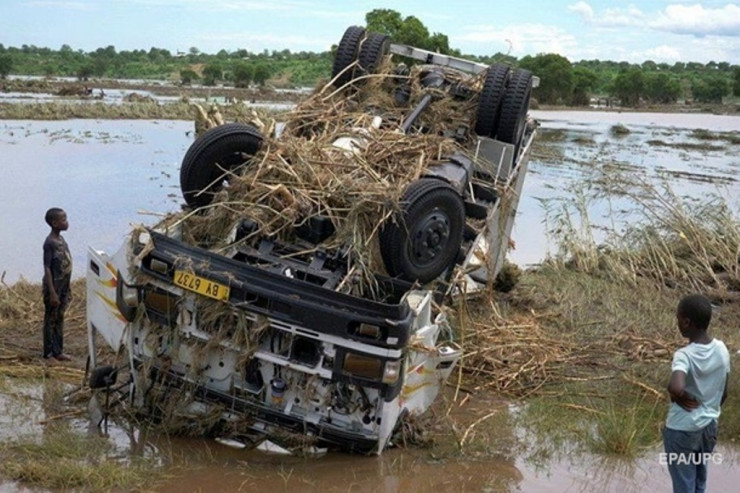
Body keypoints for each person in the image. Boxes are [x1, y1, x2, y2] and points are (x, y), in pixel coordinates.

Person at [663, 294, 730, 493]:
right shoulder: (722, 349)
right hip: (709, 427)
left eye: (678, 319)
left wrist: (675, 393)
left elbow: (676, 386)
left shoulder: (684, 355)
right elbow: (723, 393)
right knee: (699, 483)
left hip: (682, 429)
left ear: (686, 322)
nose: (677, 323)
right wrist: (709, 407)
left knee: (684, 485)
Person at [42, 207, 73, 361]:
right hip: (53, 287)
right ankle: (48, 354)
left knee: (60, 317)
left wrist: (67, 288)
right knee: (50, 319)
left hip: (63, 287)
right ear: (54, 223)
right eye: (63, 220)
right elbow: (47, 267)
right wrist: (52, 292)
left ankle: (58, 351)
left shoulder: (61, 240)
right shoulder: (50, 243)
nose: (66, 222)